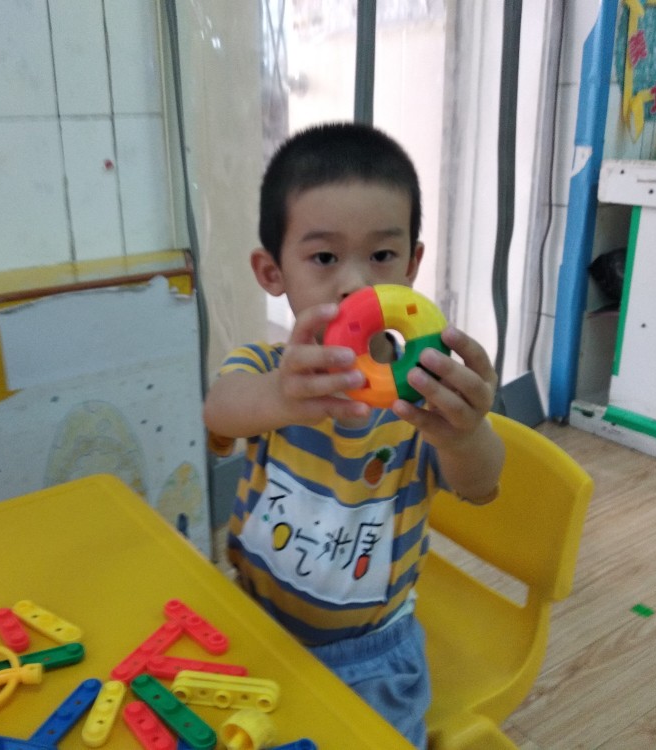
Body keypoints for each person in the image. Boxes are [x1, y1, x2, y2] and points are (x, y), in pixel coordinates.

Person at [203, 122, 505, 748]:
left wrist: (465, 433)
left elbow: (481, 486)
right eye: (324, 258)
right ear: (272, 271)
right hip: (250, 619)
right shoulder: (268, 370)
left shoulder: (420, 394)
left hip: (370, 659)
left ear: (412, 264)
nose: (356, 284)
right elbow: (220, 411)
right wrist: (281, 398)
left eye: (382, 256)